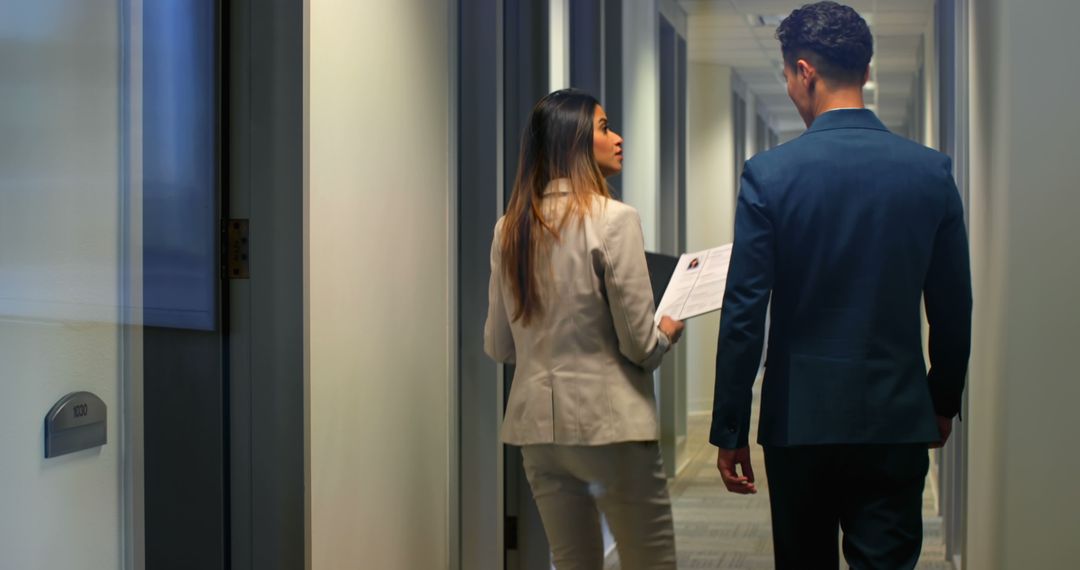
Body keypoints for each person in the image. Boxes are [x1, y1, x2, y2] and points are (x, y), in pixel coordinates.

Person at [708, 2, 972, 569]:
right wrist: (942, 399)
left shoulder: (769, 176)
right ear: (867, 72)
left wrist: (730, 425)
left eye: (786, 76)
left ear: (804, 71)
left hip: (799, 421)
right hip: (895, 418)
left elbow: (745, 310)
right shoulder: (931, 173)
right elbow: (953, 304)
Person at [484, 89, 685, 570]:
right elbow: (641, 345)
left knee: (573, 563)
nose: (617, 138)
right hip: (611, 428)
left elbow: (498, 344)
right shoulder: (614, 219)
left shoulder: (509, 227)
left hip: (539, 435)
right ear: (574, 143)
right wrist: (670, 326)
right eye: (603, 127)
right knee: (651, 562)